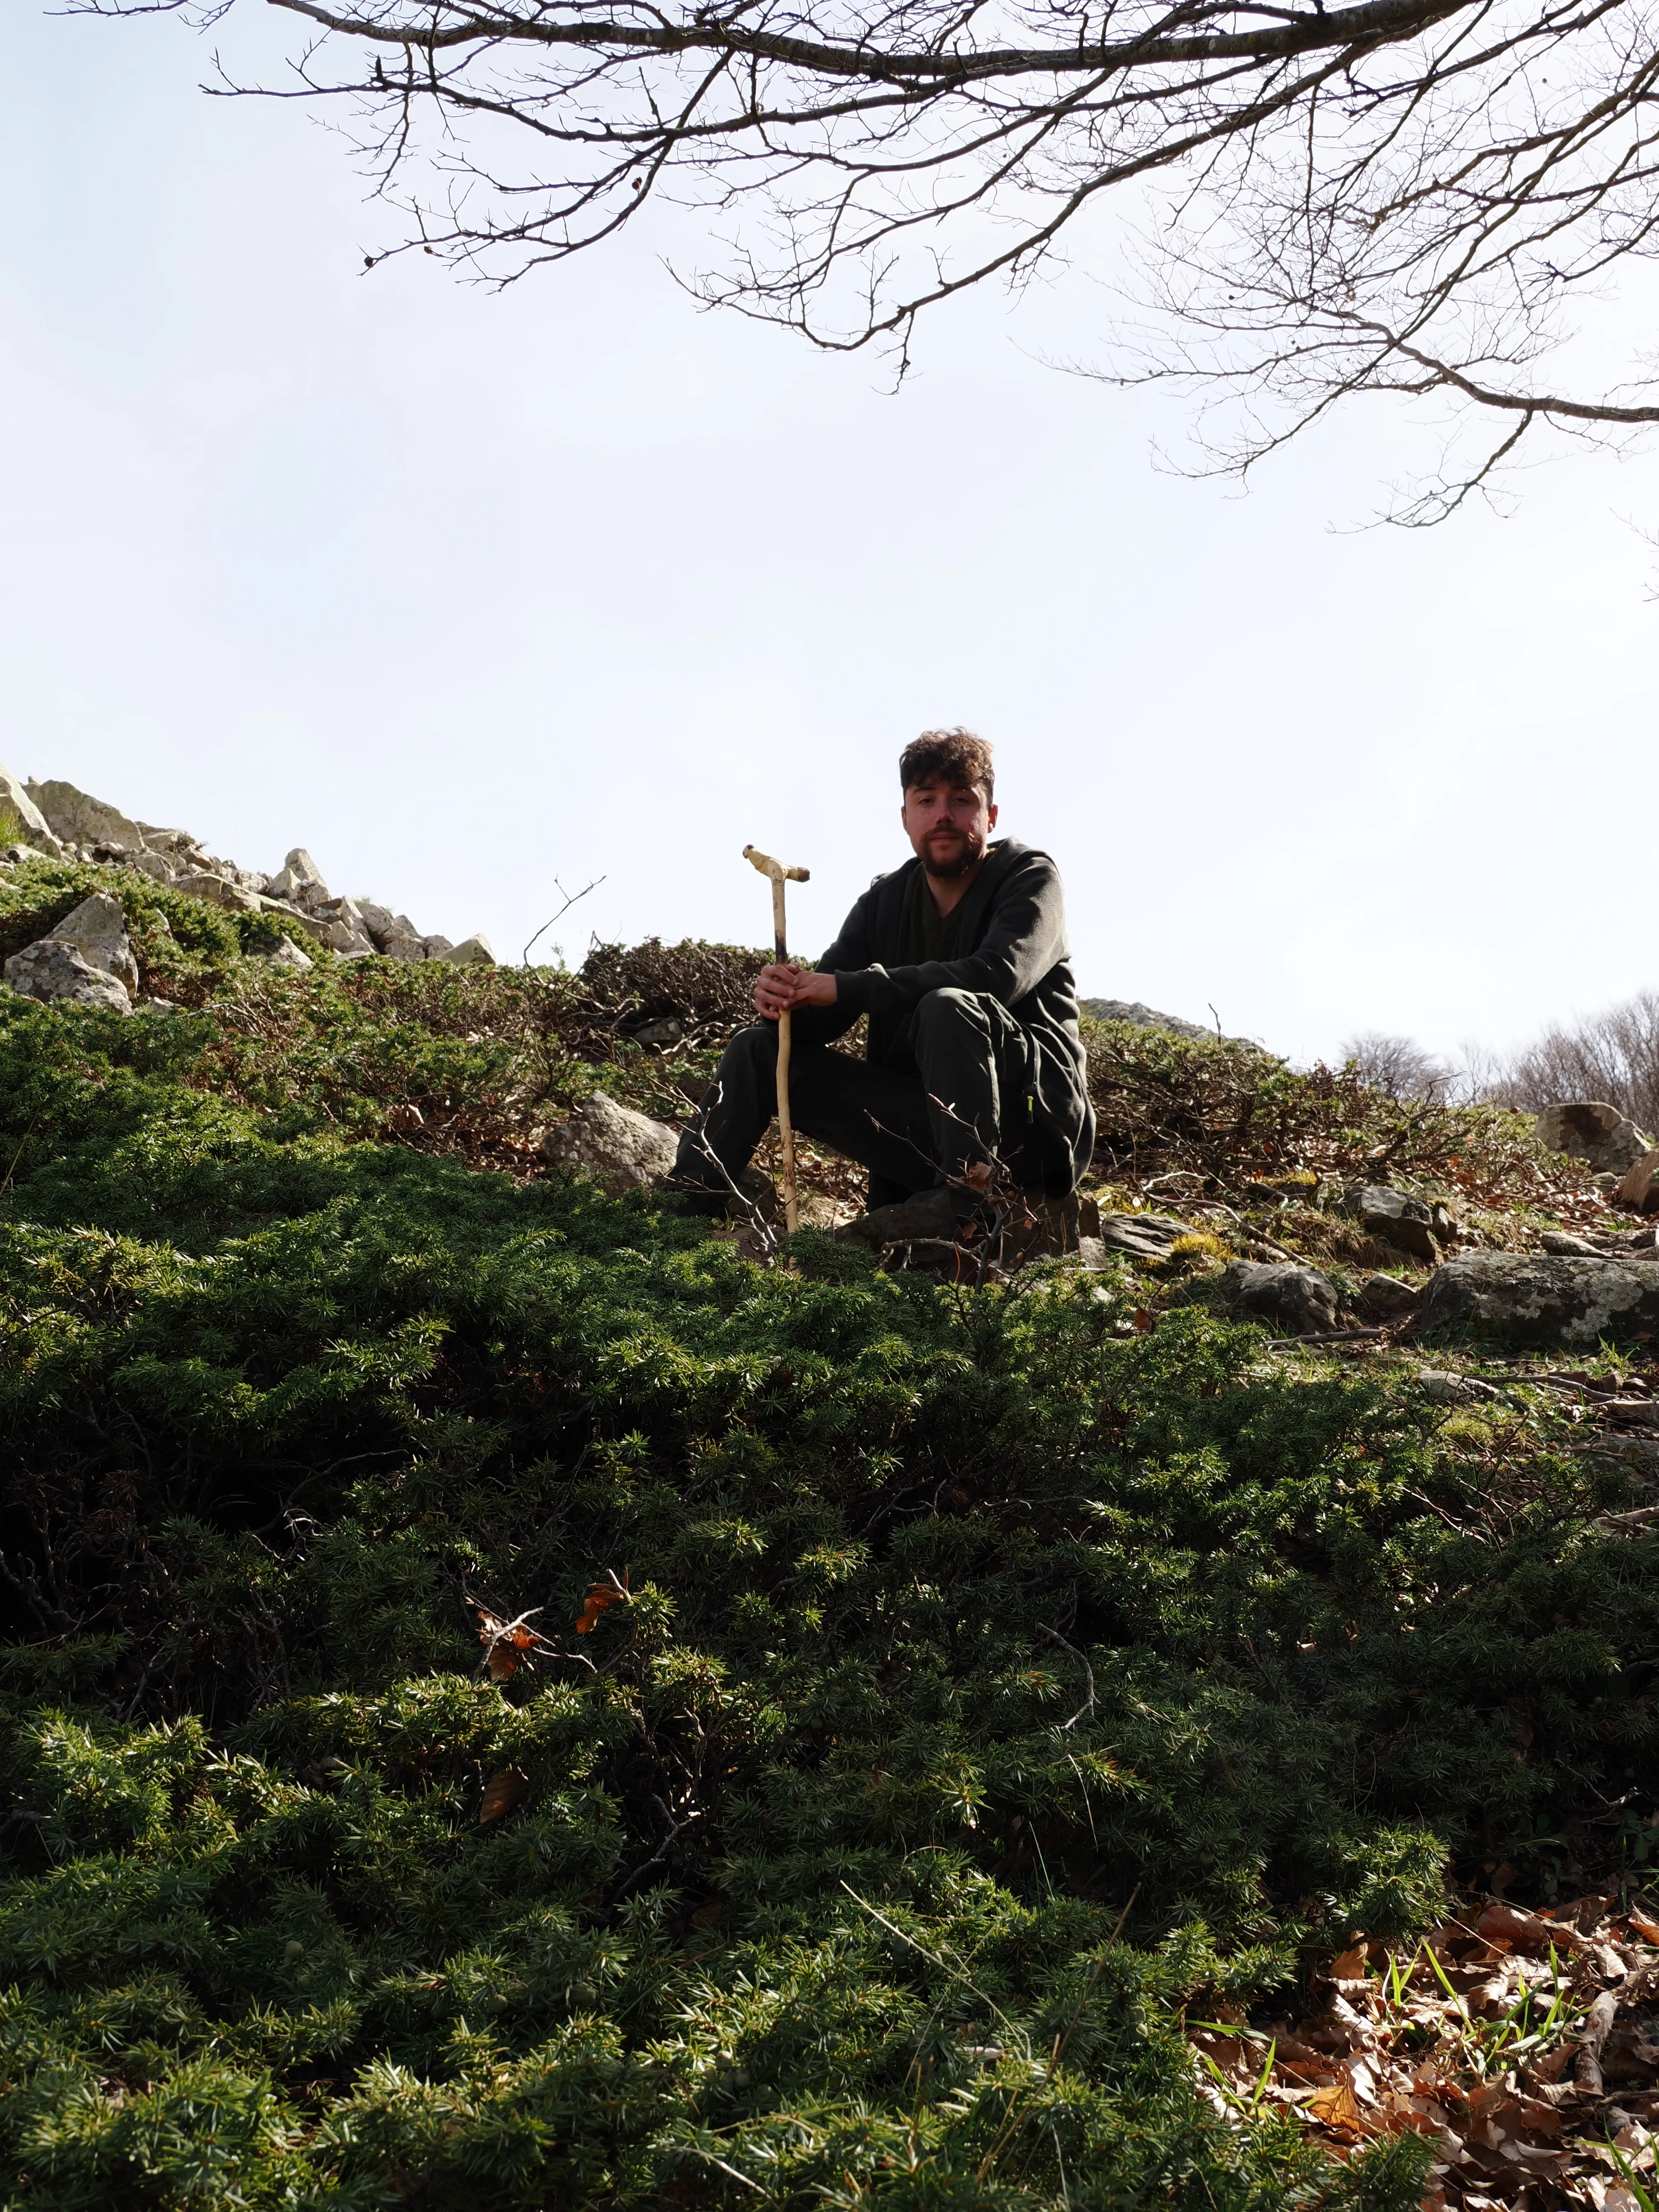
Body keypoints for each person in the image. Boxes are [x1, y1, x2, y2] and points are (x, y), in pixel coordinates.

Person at [669, 729, 1094, 1244]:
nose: (944, 814)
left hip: (1028, 1136)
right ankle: (671, 1231)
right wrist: (783, 1001)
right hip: (922, 1134)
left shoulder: (1030, 878)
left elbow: (998, 976)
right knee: (757, 1051)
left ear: (991, 816)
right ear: (906, 818)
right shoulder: (883, 903)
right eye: (926, 800)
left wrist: (844, 988)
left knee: (949, 1008)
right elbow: (818, 1018)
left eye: (962, 800)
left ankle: (970, 1225)